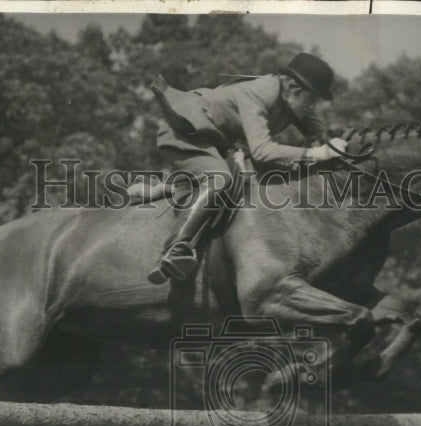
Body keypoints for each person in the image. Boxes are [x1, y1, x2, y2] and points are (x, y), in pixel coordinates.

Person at [147, 52, 349, 285]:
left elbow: (317, 132)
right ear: (293, 87)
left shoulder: (291, 99)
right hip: (186, 136)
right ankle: (174, 250)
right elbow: (262, 150)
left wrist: (337, 142)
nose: (312, 108)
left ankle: (161, 189)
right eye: (311, 100)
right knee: (220, 179)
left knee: (243, 179)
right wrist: (318, 153)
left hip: (216, 144)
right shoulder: (258, 93)